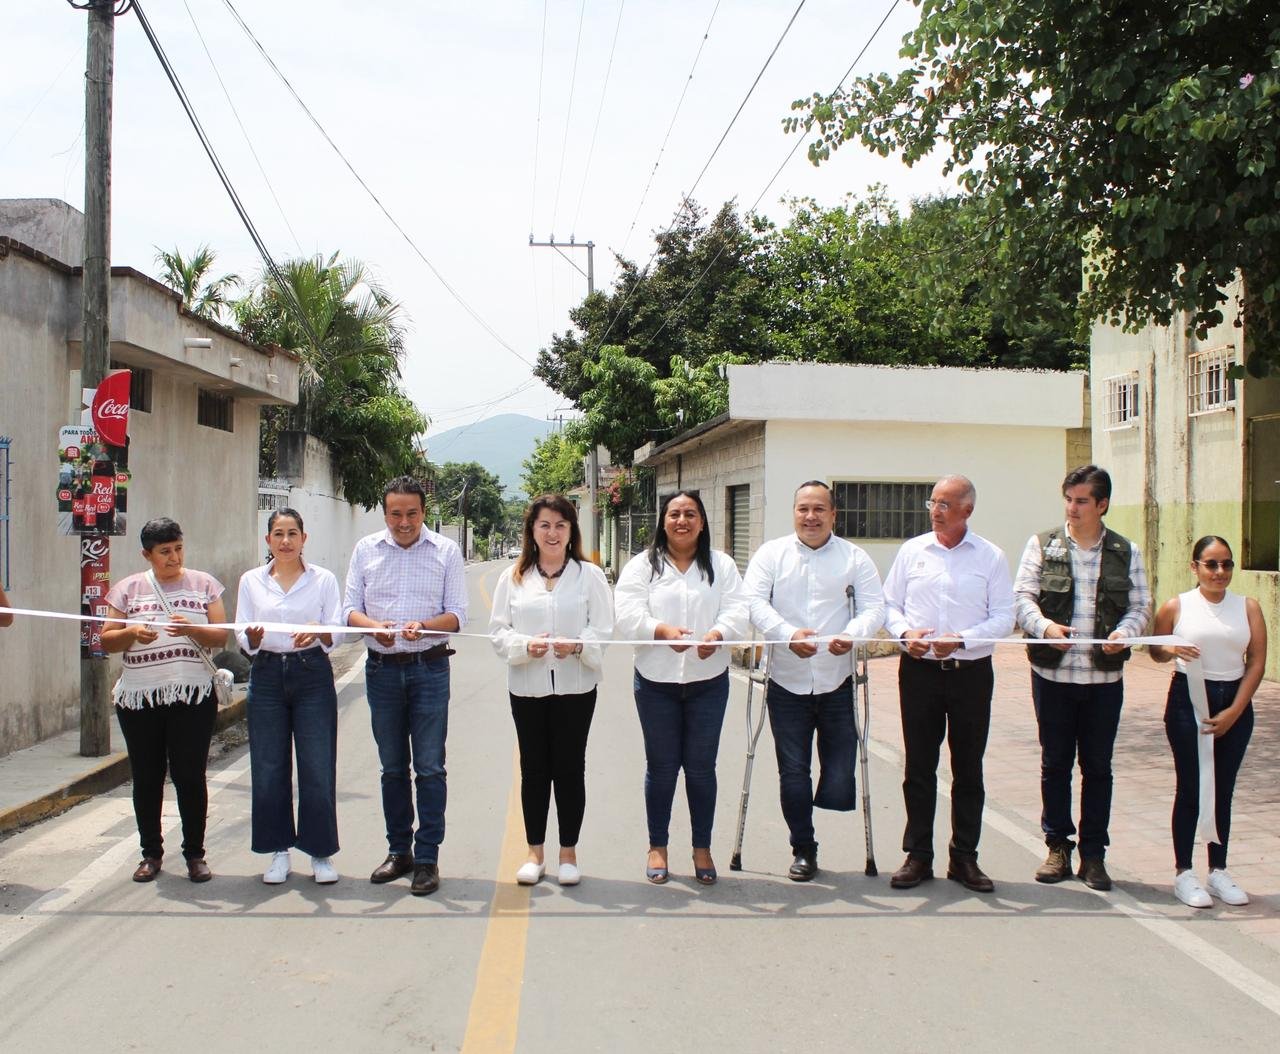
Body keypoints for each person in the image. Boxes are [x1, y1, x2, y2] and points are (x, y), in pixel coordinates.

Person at [1014, 464, 1151, 891]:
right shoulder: (1043, 545)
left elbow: (1141, 606)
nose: (1072, 509)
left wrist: (1125, 633)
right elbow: (1022, 599)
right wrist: (1044, 629)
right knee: (1055, 764)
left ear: (1102, 504)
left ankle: (1094, 855)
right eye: (1069, 500)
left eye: (1082, 501)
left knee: (1098, 768)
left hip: (1103, 681)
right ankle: (1057, 847)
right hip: (1053, 676)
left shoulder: (1126, 552)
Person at [743, 481, 885, 881]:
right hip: (786, 681)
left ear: (833, 514)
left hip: (836, 680)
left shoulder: (854, 558)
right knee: (793, 771)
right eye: (803, 508)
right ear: (794, 512)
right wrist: (786, 635)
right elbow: (753, 602)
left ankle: (827, 801)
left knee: (840, 771)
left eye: (819, 509)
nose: (810, 516)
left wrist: (853, 635)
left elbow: (875, 606)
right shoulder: (771, 555)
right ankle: (803, 846)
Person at [882, 476, 1015, 893]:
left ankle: (964, 858)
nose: (935, 510)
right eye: (933, 502)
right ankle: (918, 855)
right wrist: (906, 635)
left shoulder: (990, 557)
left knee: (968, 768)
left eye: (945, 504)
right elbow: (889, 605)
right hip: (919, 673)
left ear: (967, 511)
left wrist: (961, 640)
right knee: (919, 766)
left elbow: (1004, 617)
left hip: (970, 675)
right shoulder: (912, 552)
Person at [615, 490, 749, 886]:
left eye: (691, 514)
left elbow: (738, 609)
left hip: (708, 683)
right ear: (663, 521)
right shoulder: (642, 566)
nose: (682, 521)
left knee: (702, 769)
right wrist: (659, 631)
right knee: (661, 768)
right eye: (674, 514)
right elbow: (626, 611)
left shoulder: (721, 566)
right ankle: (658, 845)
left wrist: (719, 634)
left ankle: (702, 847)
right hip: (656, 682)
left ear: (703, 522)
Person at [344, 476, 467, 896]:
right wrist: (373, 628)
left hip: (430, 669)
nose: (403, 522)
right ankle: (399, 851)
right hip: (381, 671)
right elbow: (349, 611)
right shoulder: (366, 550)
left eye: (411, 513)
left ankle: (428, 857)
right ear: (384, 514)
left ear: (423, 512)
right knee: (392, 767)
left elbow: (457, 616)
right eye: (395, 514)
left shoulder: (446, 551)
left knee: (430, 767)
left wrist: (425, 627)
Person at [488, 495, 613, 886]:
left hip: (577, 687)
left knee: (570, 768)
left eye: (561, 524)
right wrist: (526, 646)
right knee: (534, 769)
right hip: (528, 688)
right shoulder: (513, 577)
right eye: (544, 524)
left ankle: (569, 854)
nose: (553, 532)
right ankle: (535, 853)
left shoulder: (589, 576)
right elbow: (498, 631)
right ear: (532, 530)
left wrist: (578, 645)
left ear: (571, 530)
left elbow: (604, 628)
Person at [99, 517, 228, 883]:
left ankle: (195, 855)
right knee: (147, 776)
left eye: (178, 549)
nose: (173, 558)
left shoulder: (204, 585)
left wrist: (191, 628)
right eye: (164, 552)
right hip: (139, 699)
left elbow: (221, 636)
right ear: (147, 554)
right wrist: (132, 633)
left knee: (189, 775)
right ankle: (151, 854)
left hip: (192, 695)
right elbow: (106, 640)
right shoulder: (127, 589)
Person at [1149, 536, 1267, 908]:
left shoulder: (1247, 607)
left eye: (1226, 564)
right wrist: (1170, 649)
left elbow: (1257, 662)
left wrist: (1235, 710)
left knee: (1222, 787)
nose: (1219, 572)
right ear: (1194, 566)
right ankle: (1184, 872)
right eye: (1211, 564)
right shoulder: (1177, 605)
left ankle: (1218, 870)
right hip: (1189, 699)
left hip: (1234, 700)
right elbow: (1154, 649)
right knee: (1191, 786)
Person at [236, 508, 343, 886]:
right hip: (266, 675)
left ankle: (320, 852)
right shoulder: (251, 581)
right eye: (278, 534)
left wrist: (318, 630)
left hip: (311, 673)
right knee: (268, 767)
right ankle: (278, 851)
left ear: (304, 539)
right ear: (267, 541)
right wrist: (251, 635)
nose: (285, 541)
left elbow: (337, 631)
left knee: (316, 766)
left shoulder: (323, 580)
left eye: (292, 533)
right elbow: (242, 637)